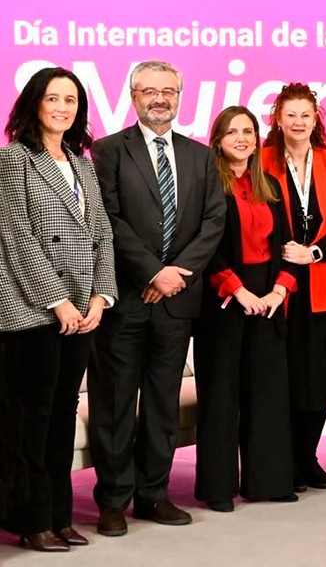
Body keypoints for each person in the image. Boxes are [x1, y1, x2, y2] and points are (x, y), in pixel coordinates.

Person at [89, 60, 225, 536]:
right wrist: (152, 271)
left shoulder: (200, 156)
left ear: (180, 97)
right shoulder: (107, 151)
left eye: (169, 90)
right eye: (150, 90)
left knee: (163, 402)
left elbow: (213, 222)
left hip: (176, 301)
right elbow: (107, 219)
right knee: (114, 402)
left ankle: (153, 494)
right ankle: (112, 500)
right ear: (133, 97)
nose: (160, 98)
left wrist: (175, 276)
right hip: (125, 299)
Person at [0, 67, 117, 551]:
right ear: (34, 103)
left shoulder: (81, 162)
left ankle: (61, 516)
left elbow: (102, 233)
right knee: (35, 413)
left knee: (64, 412)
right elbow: (16, 237)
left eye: (71, 100)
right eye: (53, 98)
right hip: (33, 309)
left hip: (83, 308)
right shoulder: (14, 159)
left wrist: (100, 296)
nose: (63, 108)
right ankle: (32, 520)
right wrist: (58, 300)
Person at [193, 106, 298, 512]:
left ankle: (268, 481)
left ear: (257, 140)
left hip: (268, 299)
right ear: (218, 141)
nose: (241, 138)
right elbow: (205, 249)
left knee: (267, 394)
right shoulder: (207, 185)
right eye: (232, 132)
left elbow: (286, 246)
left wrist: (278, 291)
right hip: (223, 299)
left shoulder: (269, 185)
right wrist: (238, 291)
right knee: (221, 396)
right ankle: (219, 487)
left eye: (248, 132)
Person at [261, 83, 326, 492]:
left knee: (320, 376)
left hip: (323, 281)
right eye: (291, 115)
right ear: (278, 119)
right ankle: (284, 459)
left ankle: (307, 456)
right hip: (274, 283)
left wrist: (313, 253)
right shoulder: (262, 159)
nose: (299, 122)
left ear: (316, 119)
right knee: (284, 374)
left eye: (306, 115)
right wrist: (287, 256)